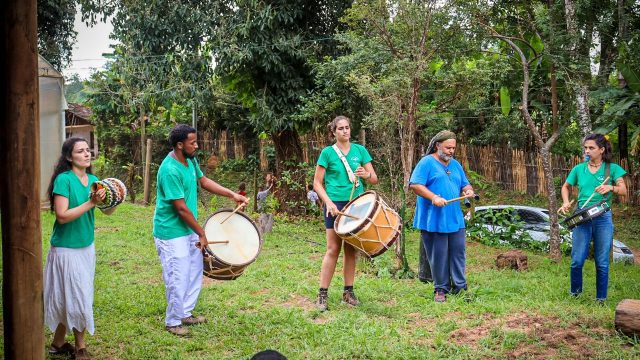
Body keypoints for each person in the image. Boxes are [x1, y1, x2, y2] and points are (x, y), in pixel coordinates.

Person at [153, 124, 248, 336]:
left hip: (188, 228)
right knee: (178, 275)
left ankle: (185, 312)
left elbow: (203, 181)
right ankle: (172, 321)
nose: (196, 145)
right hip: (170, 231)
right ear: (180, 145)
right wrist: (202, 233)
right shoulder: (169, 170)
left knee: (194, 270)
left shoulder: (190, 159)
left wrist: (232, 194)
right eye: (192, 142)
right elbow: (180, 208)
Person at [44, 137, 116, 360]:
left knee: (72, 296)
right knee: (78, 296)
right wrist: (91, 203)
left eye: (88, 150)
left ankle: (57, 344)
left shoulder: (94, 179)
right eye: (80, 151)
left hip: (86, 247)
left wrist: (111, 199)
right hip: (65, 249)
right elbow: (62, 216)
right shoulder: (63, 181)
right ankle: (80, 348)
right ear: (68, 157)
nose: (87, 154)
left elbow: (106, 212)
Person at [313, 115, 378, 311]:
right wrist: (329, 203)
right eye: (340, 128)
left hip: (357, 204)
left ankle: (348, 292)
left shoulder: (360, 151)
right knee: (333, 248)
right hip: (335, 204)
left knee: (351, 250)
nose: (345, 131)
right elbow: (317, 183)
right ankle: (322, 294)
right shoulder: (327, 153)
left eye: (347, 127)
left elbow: (374, 179)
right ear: (334, 132)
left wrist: (366, 175)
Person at [559, 133, 627, 303]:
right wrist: (566, 202)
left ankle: (601, 299)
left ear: (602, 150)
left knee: (602, 261)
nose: (587, 151)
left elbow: (623, 190)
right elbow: (566, 187)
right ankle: (575, 294)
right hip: (582, 215)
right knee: (577, 260)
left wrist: (610, 187)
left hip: (603, 216)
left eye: (591, 148)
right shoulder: (579, 169)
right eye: (585, 148)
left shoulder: (612, 169)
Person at [409, 130, 474, 303]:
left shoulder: (455, 165)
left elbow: (465, 183)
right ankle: (440, 289)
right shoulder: (426, 163)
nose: (451, 151)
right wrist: (434, 197)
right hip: (434, 218)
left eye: (453, 148)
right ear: (438, 145)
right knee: (439, 255)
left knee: (458, 253)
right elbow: (415, 185)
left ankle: (460, 287)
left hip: (454, 217)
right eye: (447, 148)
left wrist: (468, 190)